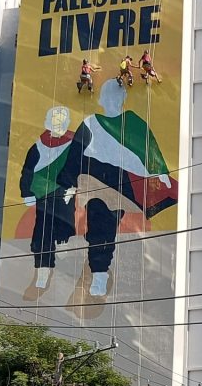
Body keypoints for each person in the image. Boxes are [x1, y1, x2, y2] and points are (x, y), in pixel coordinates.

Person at [58, 79, 178, 301]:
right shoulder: (91, 123)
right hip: (94, 181)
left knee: (107, 226)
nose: (112, 100)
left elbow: (151, 153)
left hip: (122, 185)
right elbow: (75, 156)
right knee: (97, 223)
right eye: (108, 96)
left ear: (123, 99)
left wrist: (161, 174)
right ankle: (97, 272)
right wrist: (67, 184)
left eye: (116, 96)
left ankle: (100, 272)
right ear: (102, 100)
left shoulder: (134, 123)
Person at [19, 105, 77, 297]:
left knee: (63, 229)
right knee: (42, 234)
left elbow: (83, 167)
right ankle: (42, 274)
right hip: (42, 196)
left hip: (65, 193)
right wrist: (26, 192)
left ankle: (64, 253)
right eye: (54, 119)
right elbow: (27, 171)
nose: (57, 123)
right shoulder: (38, 145)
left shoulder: (74, 142)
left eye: (61, 120)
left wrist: (75, 186)